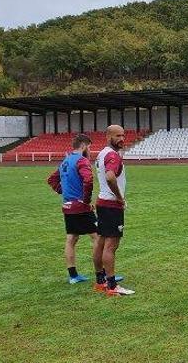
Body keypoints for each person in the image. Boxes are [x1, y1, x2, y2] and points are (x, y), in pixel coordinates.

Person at [46, 133, 101, 284]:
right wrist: (86, 200)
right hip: (80, 206)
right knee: (98, 237)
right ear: (83, 146)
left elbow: (51, 179)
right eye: (89, 147)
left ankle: (73, 276)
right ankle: (102, 274)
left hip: (67, 206)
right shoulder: (82, 161)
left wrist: (64, 192)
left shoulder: (65, 161)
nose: (90, 150)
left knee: (71, 239)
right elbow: (88, 180)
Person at [95, 125, 135, 296]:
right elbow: (110, 177)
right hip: (111, 205)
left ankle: (100, 281)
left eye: (123, 135)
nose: (122, 139)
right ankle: (112, 285)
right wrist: (119, 196)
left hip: (102, 202)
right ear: (108, 136)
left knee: (101, 242)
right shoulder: (112, 155)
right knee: (111, 245)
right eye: (117, 135)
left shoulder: (101, 153)